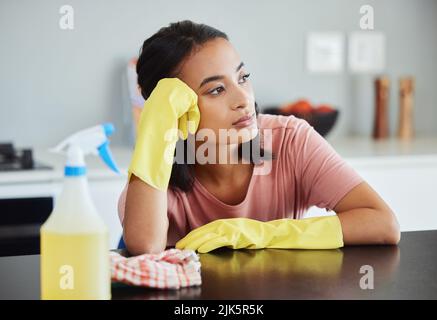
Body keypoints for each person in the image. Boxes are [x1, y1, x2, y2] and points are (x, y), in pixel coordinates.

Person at [118, 20, 400, 255]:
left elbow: (383, 223)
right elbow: (146, 247)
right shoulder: (157, 166)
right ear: (177, 108)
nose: (244, 99)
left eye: (243, 77)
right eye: (216, 90)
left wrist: (263, 232)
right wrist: (156, 128)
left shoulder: (291, 140)